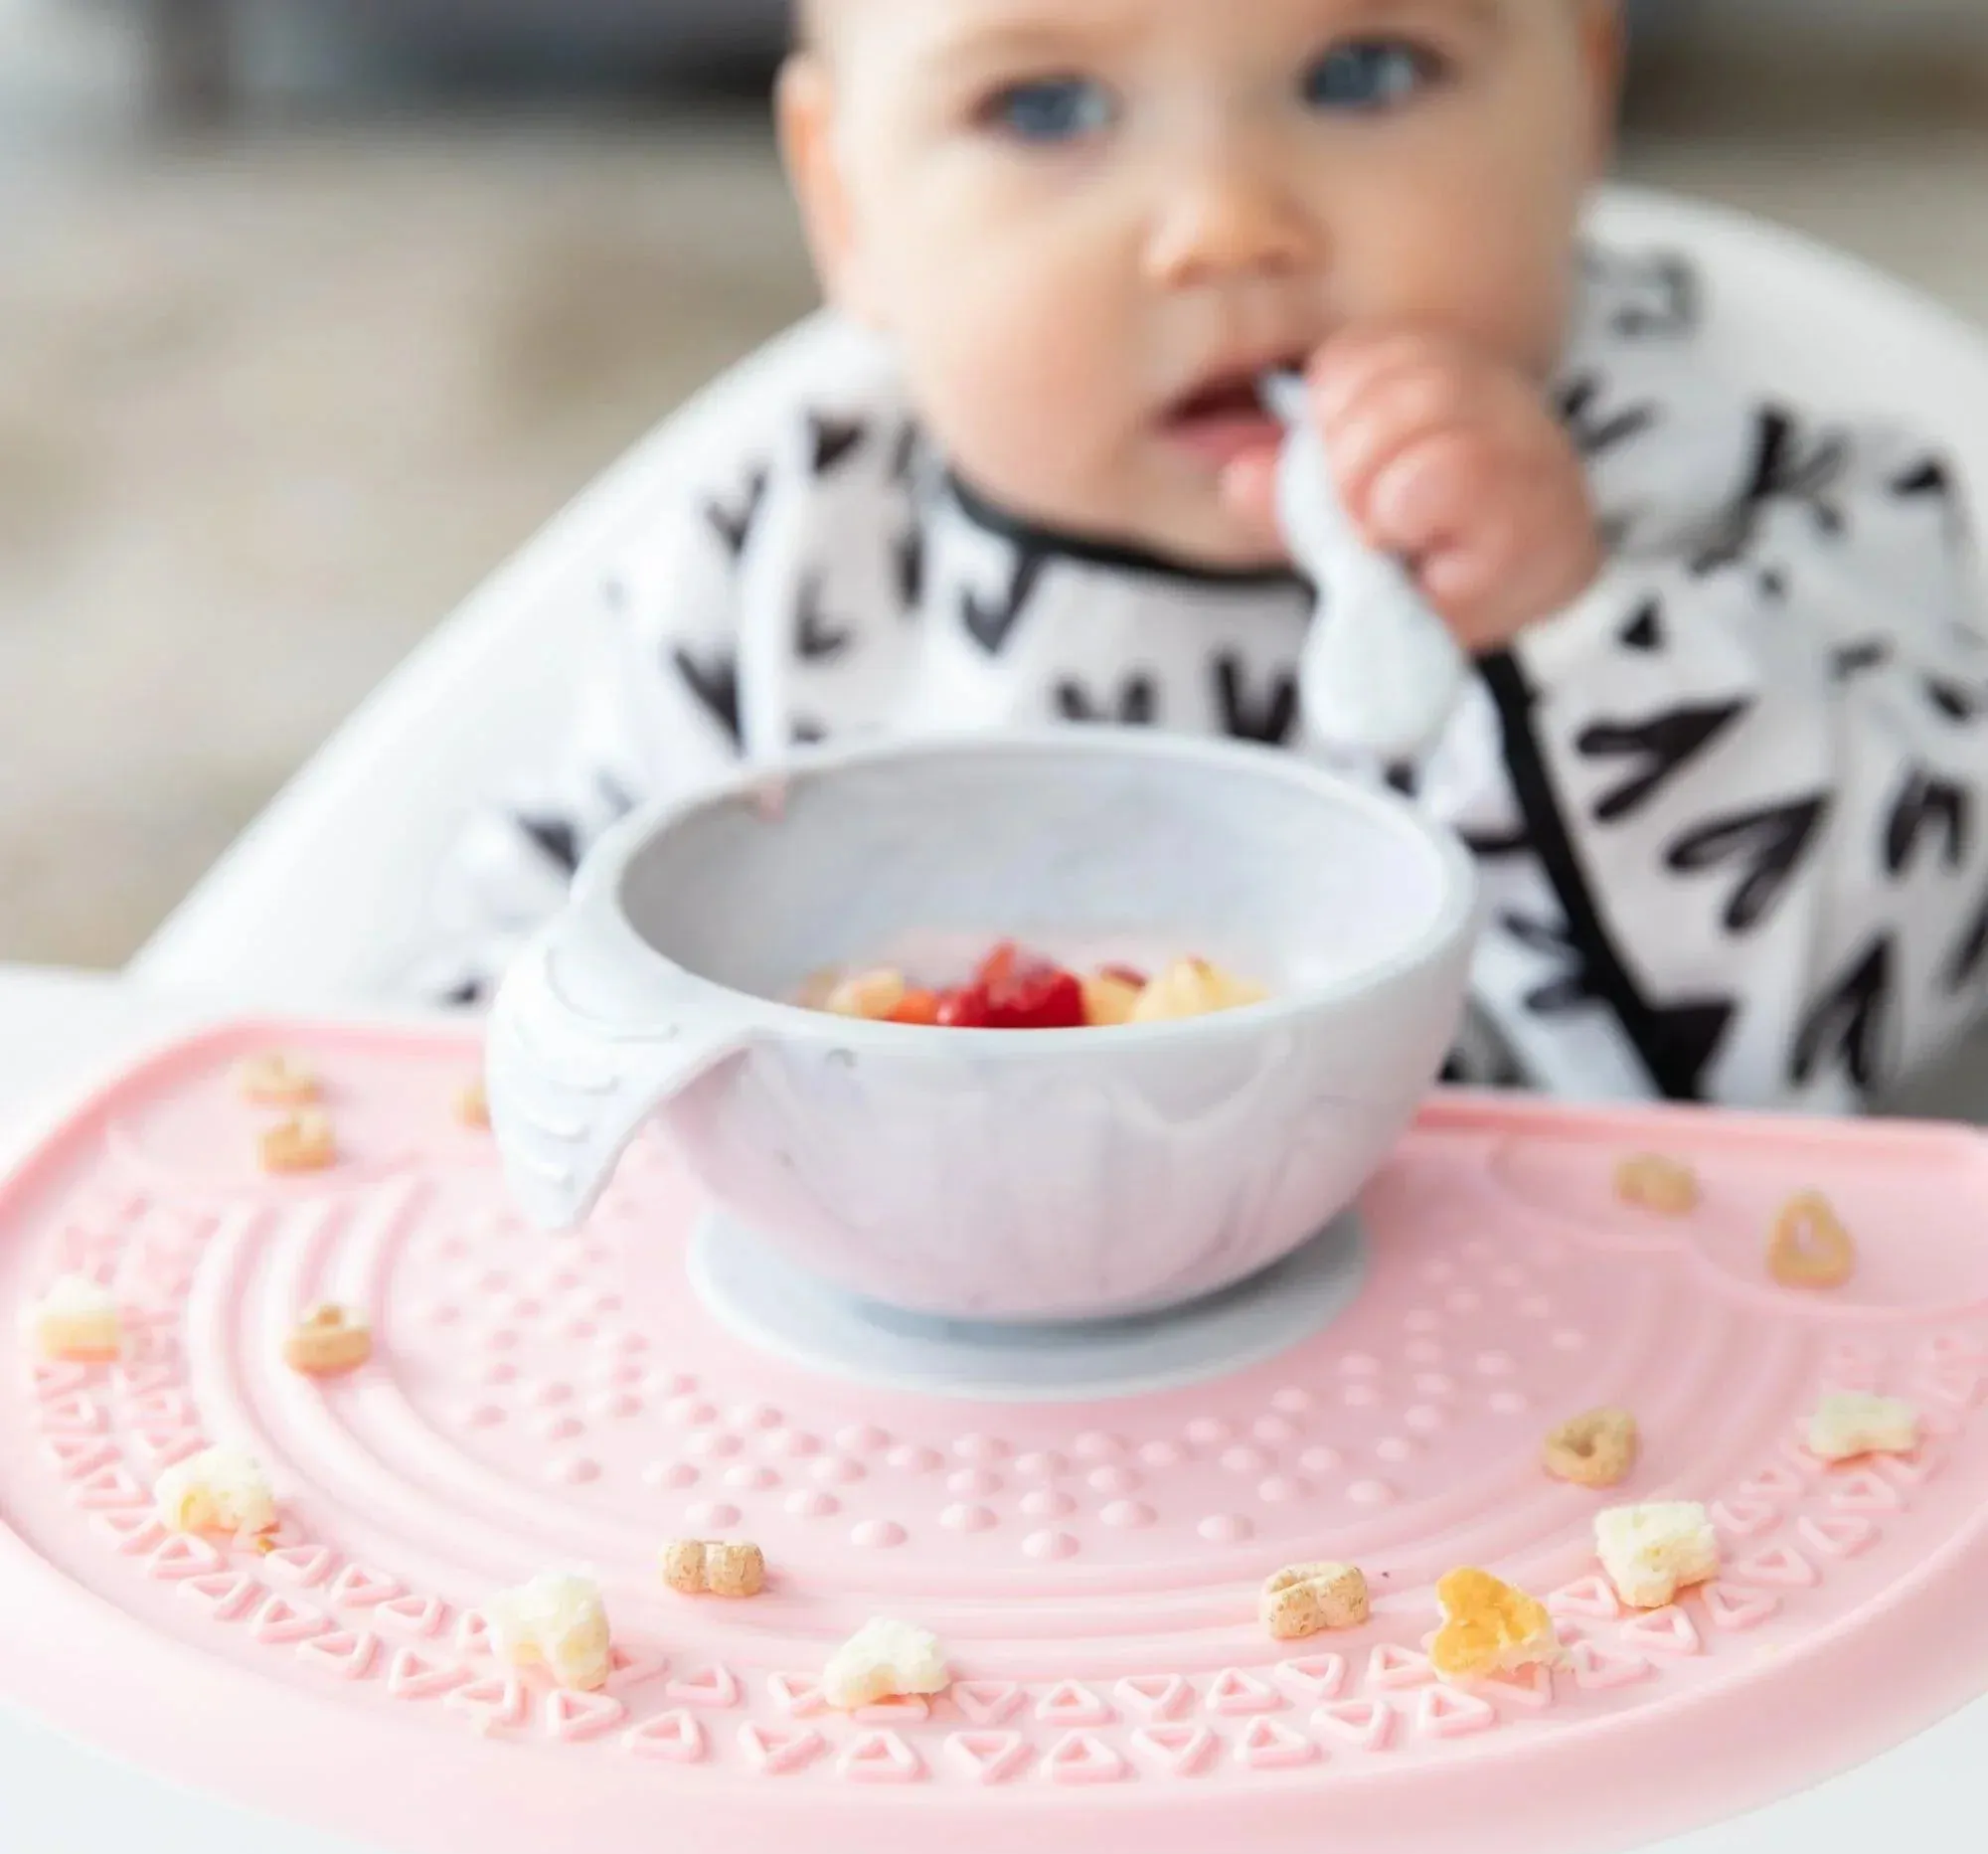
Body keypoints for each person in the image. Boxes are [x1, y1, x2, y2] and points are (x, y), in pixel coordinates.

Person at [420, 0, 1987, 1113]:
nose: (1227, 224)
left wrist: (1567, 632)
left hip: (1575, 1446)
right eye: (1044, 107)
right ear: (848, 201)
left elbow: (1864, 1044)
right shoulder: (787, 558)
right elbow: (528, 1003)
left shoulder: (1771, 505)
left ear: (1581, 93)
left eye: (1364, 69)